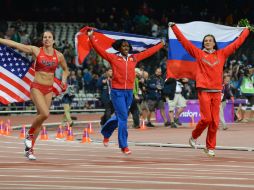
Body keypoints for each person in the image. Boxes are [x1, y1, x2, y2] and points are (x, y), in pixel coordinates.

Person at [169, 22, 249, 157]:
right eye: (205, 41)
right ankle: (194, 137)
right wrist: (174, 28)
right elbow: (185, 42)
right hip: (204, 90)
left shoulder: (222, 54)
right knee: (206, 119)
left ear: (214, 43)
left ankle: (210, 147)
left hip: (217, 91)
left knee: (215, 121)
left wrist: (246, 31)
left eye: (210, 40)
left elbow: (237, 43)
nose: (207, 42)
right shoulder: (199, 54)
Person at [88, 30, 164, 154]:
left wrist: (160, 45)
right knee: (123, 117)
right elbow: (99, 50)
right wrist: (91, 37)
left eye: (127, 46)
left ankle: (106, 133)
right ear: (119, 48)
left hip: (129, 92)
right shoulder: (113, 58)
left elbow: (148, 52)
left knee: (119, 116)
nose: (126, 48)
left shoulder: (134, 58)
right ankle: (124, 145)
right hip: (117, 92)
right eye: (123, 46)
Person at [0, 31, 69, 160]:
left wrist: (64, 81)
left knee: (41, 120)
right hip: (36, 87)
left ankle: (29, 150)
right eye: (45, 37)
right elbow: (16, 44)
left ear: (53, 40)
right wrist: (1, 40)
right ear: (42, 40)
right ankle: (29, 135)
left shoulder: (59, 56)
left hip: (49, 89)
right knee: (45, 114)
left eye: (49, 37)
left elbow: (66, 70)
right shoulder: (36, 50)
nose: (47, 39)